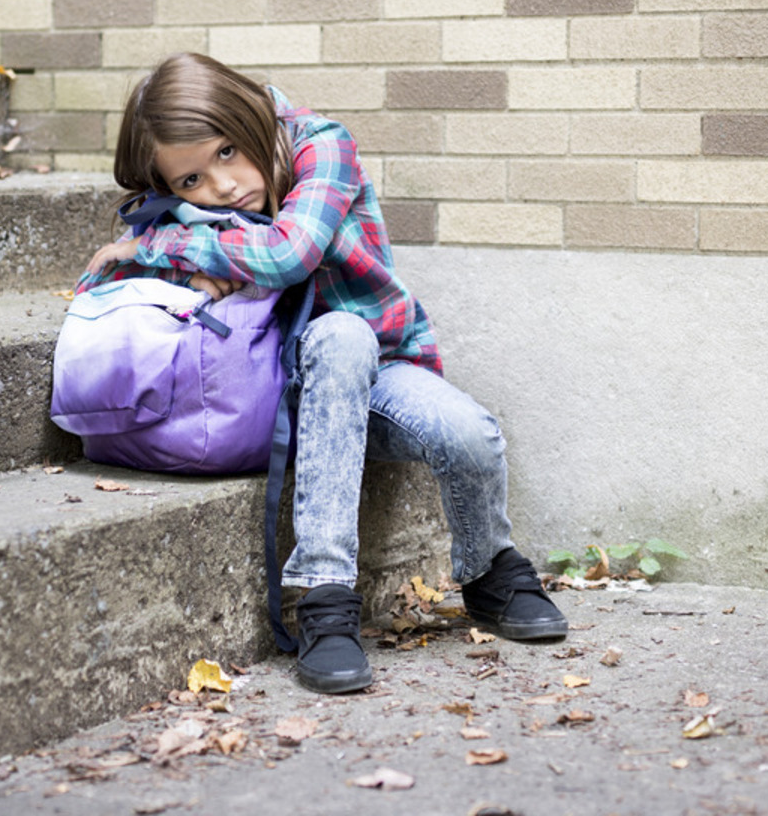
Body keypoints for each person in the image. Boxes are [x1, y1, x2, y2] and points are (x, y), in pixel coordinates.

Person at [79, 52, 566, 694]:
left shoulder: (320, 146)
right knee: (338, 336)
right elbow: (106, 276)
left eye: (227, 152)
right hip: (264, 386)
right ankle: (325, 596)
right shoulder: (178, 206)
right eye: (192, 180)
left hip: (378, 370)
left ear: (248, 117)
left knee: (465, 429)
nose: (222, 187)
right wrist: (163, 259)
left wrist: (162, 246)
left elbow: (289, 251)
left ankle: (488, 570)